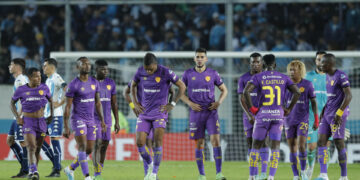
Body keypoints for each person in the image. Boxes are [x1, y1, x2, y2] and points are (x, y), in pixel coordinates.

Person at [244, 54, 300, 180]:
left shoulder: (258, 77)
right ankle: (270, 177)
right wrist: (289, 109)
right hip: (278, 115)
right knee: (275, 147)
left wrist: (253, 109)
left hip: (263, 115)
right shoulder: (284, 77)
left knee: (255, 147)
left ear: (263, 65)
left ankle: (252, 177)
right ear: (275, 65)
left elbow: (246, 92)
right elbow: (297, 92)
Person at [132, 53, 186, 180]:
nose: (148, 71)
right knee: (140, 143)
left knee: (157, 142)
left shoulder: (165, 72)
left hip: (159, 113)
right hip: (144, 113)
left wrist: (172, 103)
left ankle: (154, 173)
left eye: (150, 68)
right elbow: (133, 85)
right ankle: (151, 164)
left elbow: (182, 86)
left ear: (156, 64)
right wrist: (135, 102)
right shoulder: (140, 71)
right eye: (146, 69)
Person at [181, 48, 228, 180]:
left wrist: (219, 102)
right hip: (196, 113)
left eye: (202, 57)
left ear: (206, 59)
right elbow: (180, 92)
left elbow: (224, 90)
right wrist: (190, 103)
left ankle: (219, 173)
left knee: (215, 141)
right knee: (199, 143)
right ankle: (202, 175)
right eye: (198, 57)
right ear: (194, 59)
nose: (200, 59)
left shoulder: (213, 73)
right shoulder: (187, 74)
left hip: (211, 112)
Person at [63, 57, 106, 180]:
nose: (87, 66)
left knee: (89, 149)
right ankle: (87, 177)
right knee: (82, 147)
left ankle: (70, 169)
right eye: (83, 64)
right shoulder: (73, 85)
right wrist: (66, 126)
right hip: (78, 119)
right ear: (78, 67)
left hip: (91, 120)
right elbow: (68, 106)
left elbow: (98, 103)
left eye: (88, 64)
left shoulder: (94, 82)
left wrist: (102, 120)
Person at [123, 79, 175, 178]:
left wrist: (170, 105)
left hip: (157, 115)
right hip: (144, 115)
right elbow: (125, 92)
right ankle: (149, 172)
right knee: (144, 142)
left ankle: (151, 173)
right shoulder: (139, 77)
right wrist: (134, 107)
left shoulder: (161, 76)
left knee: (152, 142)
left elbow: (172, 91)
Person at [10, 67, 53, 180]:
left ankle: (34, 171)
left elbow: (51, 100)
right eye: (36, 76)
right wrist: (17, 117)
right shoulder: (21, 89)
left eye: (39, 76)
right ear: (29, 77)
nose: (39, 78)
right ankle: (33, 170)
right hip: (28, 122)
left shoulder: (44, 87)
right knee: (31, 146)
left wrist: (51, 115)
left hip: (41, 122)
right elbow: (12, 103)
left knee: (38, 148)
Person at [315, 53, 352, 180]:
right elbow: (331, 97)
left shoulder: (340, 75)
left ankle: (344, 176)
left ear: (330, 64)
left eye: (323, 62)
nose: (320, 64)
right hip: (327, 113)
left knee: (338, 143)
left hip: (337, 115)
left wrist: (339, 113)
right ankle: (324, 175)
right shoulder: (327, 76)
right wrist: (323, 110)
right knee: (321, 142)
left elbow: (348, 96)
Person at [284, 60, 318, 180]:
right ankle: (295, 175)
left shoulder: (308, 84)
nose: (291, 72)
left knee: (302, 146)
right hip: (288, 120)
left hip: (303, 119)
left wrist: (316, 118)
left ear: (301, 71)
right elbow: (279, 100)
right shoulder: (285, 85)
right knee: (292, 147)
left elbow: (313, 101)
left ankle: (303, 172)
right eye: (290, 70)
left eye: (294, 70)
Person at [238, 52, 269, 180]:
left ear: (262, 63)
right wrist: (249, 115)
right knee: (250, 144)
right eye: (253, 62)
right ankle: (253, 175)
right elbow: (242, 98)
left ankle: (263, 174)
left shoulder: (267, 77)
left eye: (258, 62)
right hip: (249, 117)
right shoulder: (243, 78)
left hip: (264, 115)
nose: (255, 64)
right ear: (250, 63)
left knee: (263, 143)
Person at [304, 51, 332, 179]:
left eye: (323, 59)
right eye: (318, 59)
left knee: (325, 145)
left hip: (328, 117)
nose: (320, 62)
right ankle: (310, 167)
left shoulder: (333, 77)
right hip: (311, 116)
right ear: (315, 61)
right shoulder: (308, 77)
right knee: (311, 146)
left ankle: (323, 174)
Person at [92, 60, 120, 179]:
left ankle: (99, 173)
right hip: (93, 119)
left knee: (104, 145)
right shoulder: (90, 82)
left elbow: (114, 103)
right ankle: (97, 174)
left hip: (107, 119)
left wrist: (117, 122)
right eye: (103, 69)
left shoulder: (111, 83)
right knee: (97, 145)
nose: (106, 71)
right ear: (96, 70)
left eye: (107, 69)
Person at [42, 58, 67, 177]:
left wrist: (60, 103)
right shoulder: (48, 80)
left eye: (45, 66)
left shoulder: (56, 77)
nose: (43, 68)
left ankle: (57, 170)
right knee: (39, 139)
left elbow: (67, 88)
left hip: (55, 116)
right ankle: (56, 164)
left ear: (52, 67)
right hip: (47, 115)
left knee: (54, 141)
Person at [7, 58, 29, 178]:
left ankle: (25, 170)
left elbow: (26, 97)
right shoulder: (18, 80)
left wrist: (20, 115)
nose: (9, 66)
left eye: (11, 64)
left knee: (23, 142)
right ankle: (25, 166)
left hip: (21, 116)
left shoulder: (21, 80)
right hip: (17, 116)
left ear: (17, 66)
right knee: (10, 140)